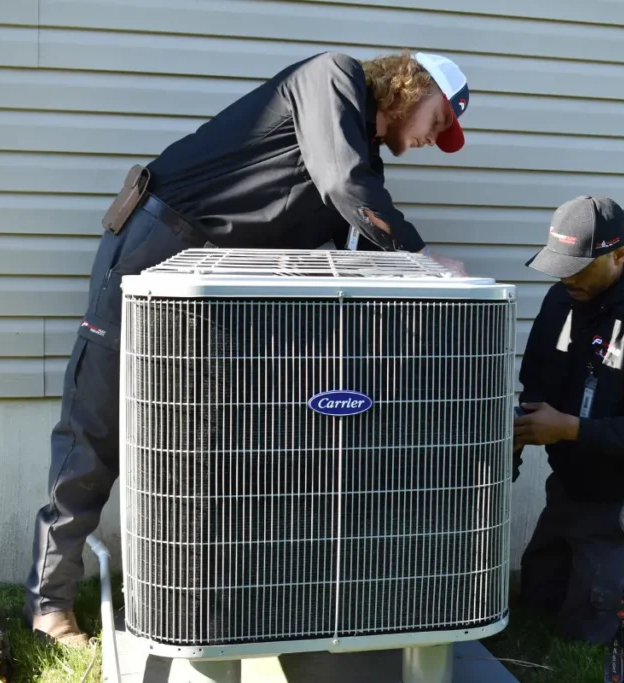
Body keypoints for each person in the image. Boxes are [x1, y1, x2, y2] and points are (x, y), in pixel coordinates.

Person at [24, 48, 472, 646]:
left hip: (224, 294)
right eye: (439, 121)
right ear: (411, 87)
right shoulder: (332, 78)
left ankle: (201, 594)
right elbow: (343, 184)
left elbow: (355, 246)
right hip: (157, 245)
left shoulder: (366, 166)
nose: (433, 140)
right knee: (96, 423)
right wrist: (420, 257)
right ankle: (49, 603)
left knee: (214, 440)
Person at [512, 195, 624, 645]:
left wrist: (570, 428)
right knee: (535, 603)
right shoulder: (560, 300)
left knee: (591, 633)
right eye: (561, 267)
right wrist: (512, 449)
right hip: (568, 491)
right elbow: (535, 387)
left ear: (619, 255)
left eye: (579, 267)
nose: (567, 277)